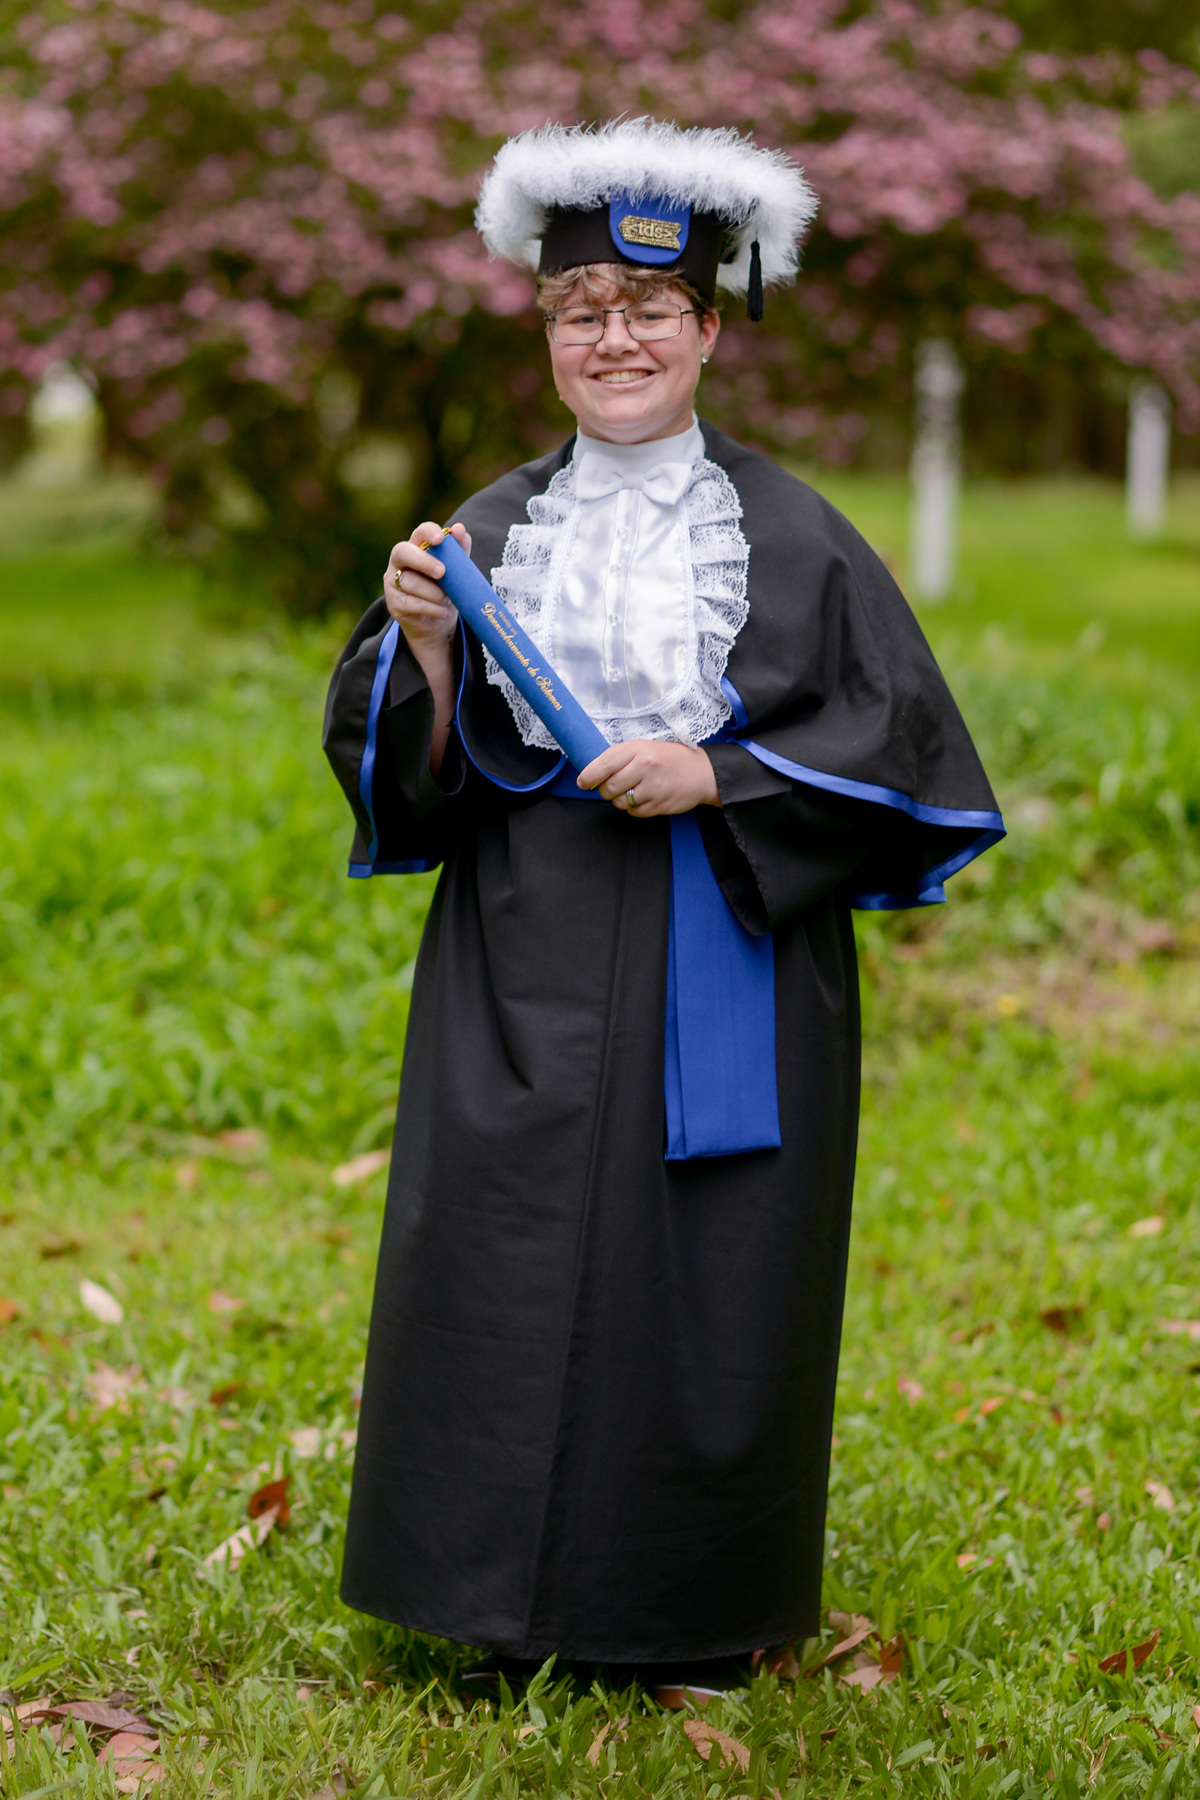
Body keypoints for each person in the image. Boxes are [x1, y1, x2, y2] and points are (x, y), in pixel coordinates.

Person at [323, 118, 1003, 1707]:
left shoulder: (797, 537)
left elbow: (905, 755)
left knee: (711, 1274)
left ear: (708, 328)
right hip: (519, 948)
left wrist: (722, 775)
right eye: (581, 312)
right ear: (546, 333)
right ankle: (488, 1605)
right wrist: (428, 647)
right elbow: (407, 777)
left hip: (734, 946)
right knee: (497, 1253)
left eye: (647, 311)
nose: (612, 339)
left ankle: (690, 1610)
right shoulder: (487, 532)